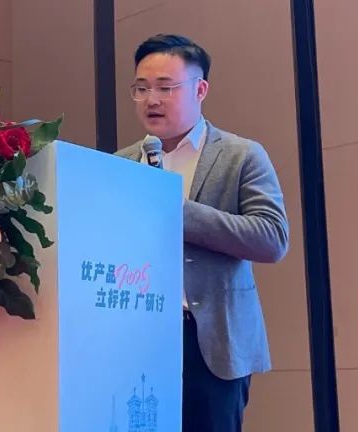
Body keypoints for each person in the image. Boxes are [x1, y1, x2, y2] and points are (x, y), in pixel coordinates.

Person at [116, 34, 289, 432]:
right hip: (135, 337)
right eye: (141, 88)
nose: (151, 99)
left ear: (200, 89)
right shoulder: (121, 164)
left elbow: (272, 237)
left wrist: (181, 214)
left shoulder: (241, 155)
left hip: (209, 342)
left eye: (165, 88)